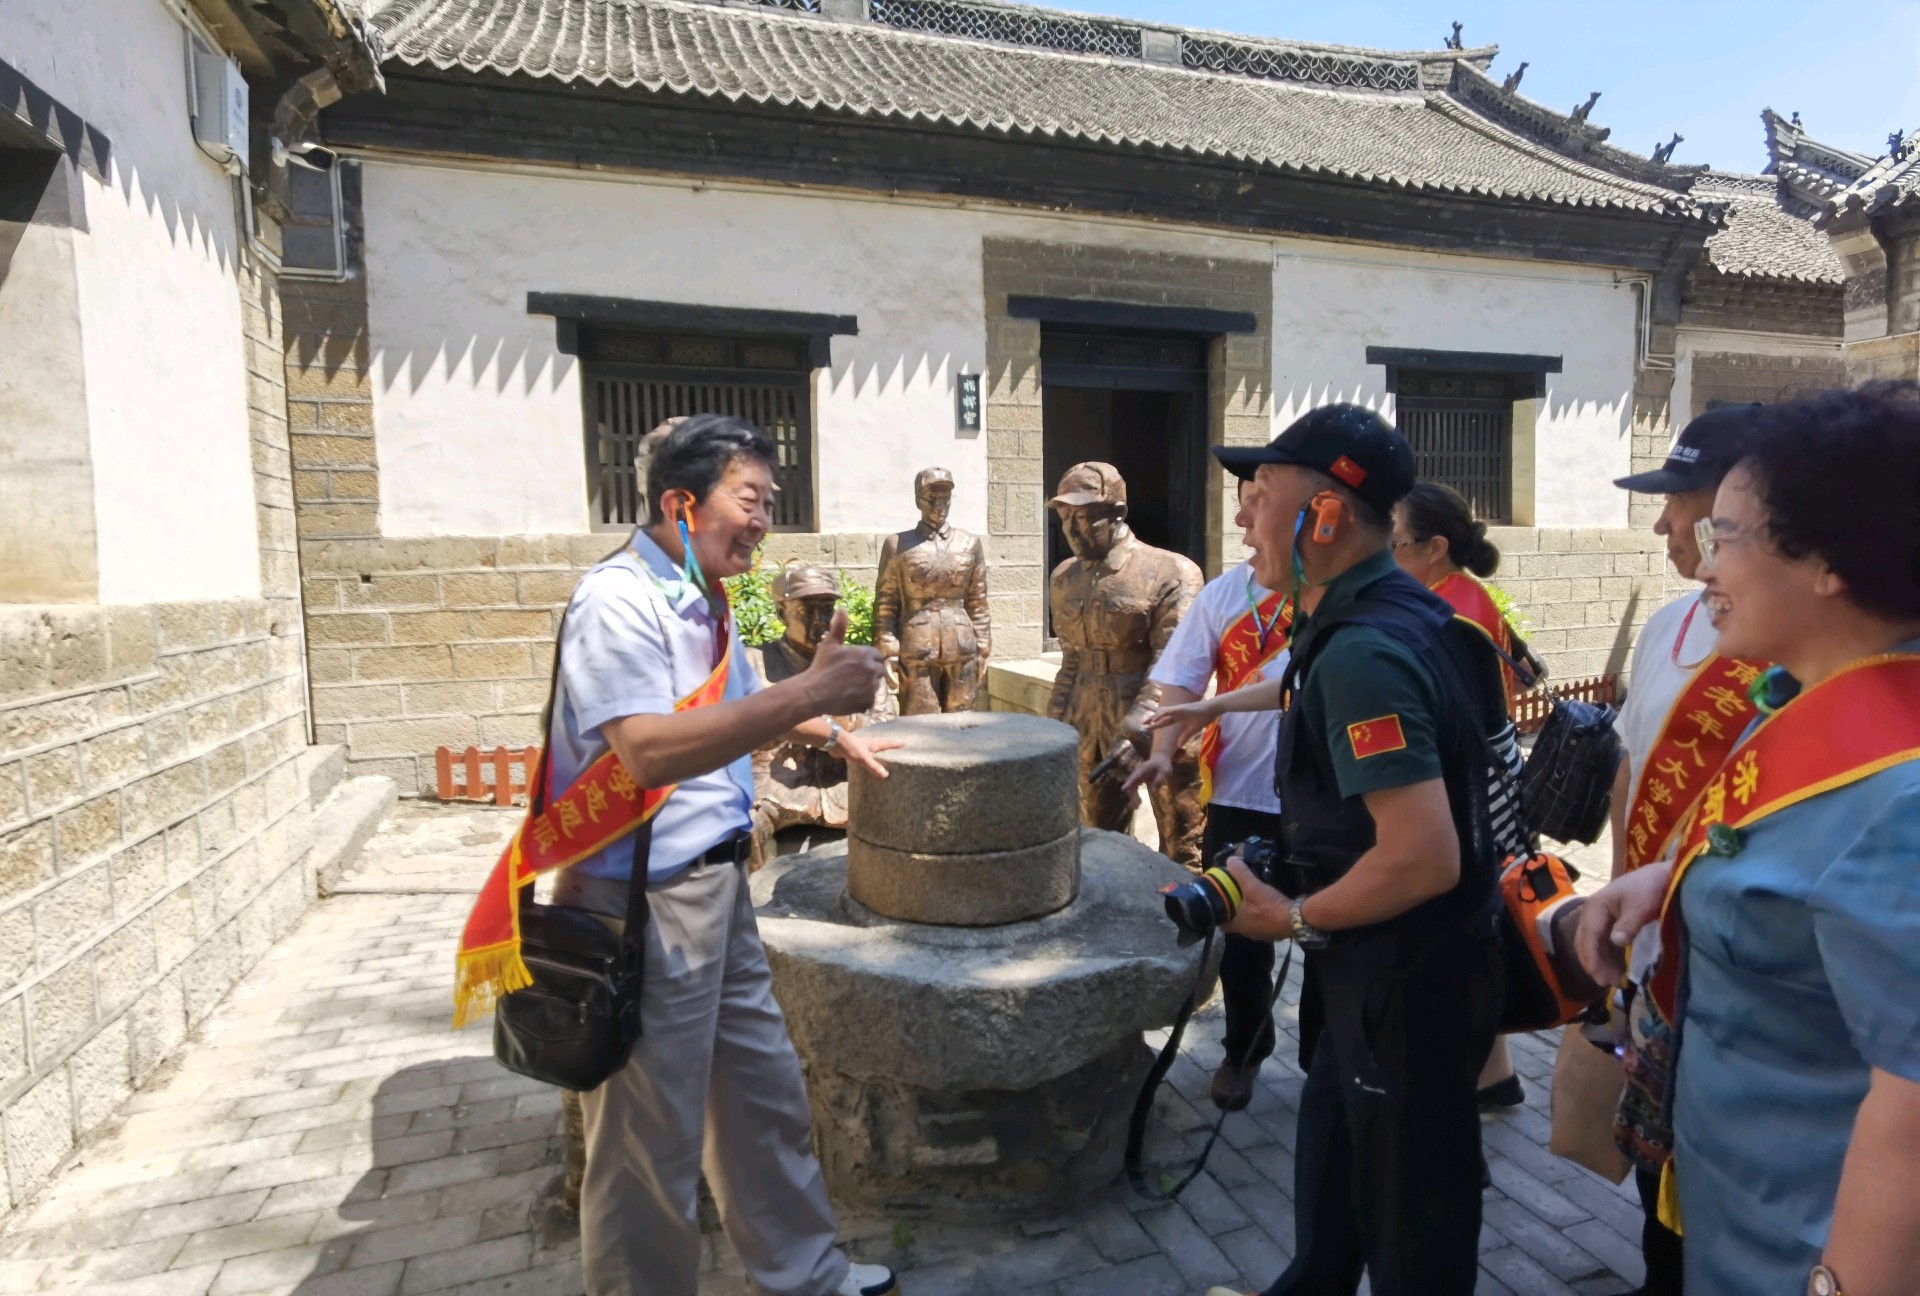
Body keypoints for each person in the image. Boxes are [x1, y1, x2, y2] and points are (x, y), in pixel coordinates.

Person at [540, 415, 904, 1296]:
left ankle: (803, 1275)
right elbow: (646, 750)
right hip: (645, 898)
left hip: (719, 887)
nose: (763, 522)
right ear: (680, 503)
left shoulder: (699, 596)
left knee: (759, 1095)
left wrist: (835, 730)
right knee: (647, 1140)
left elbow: (748, 699)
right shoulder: (617, 601)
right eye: (750, 500)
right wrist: (814, 691)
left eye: (770, 503)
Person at [1575, 382, 1920, 1296]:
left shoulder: (1904, 797)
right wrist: (1670, 881)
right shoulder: (1807, 701)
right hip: (1736, 1210)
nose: (1702, 567)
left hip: (1807, 1248)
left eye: (1724, 537)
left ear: (1826, 561)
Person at [1168, 405, 1510, 1296]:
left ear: (1324, 516)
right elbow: (1303, 690)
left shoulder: (1366, 651)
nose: (1242, 515)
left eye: (1260, 493)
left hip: (1406, 984)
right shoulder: (1384, 612)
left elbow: (1424, 856)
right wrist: (1208, 708)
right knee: (1331, 1187)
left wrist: (1290, 916)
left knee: (1412, 1235)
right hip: (1381, 980)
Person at [1592, 402, 1765, 1296]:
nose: (1663, 523)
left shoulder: (1798, 649)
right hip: (1657, 947)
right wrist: (1622, 900)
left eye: (1680, 501)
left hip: (1742, 959)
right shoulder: (1669, 625)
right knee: (1655, 1158)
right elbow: (1631, 772)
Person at [1124, 476, 1291, 1111]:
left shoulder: (1333, 594)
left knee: (1336, 928)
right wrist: (1162, 752)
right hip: (1241, 788)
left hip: (1328, 797)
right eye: (1244, 502)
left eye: (1258, 503)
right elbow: (1183, 680)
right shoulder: (1224, 594)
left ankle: (1329, 1058)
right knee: (1241, 932)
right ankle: (1244, 1051)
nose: (1244, 518)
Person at [1388, 480, 1531, 1115]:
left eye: (1396, 543)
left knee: (1465, 927)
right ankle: (1493, 1075)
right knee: (1477, 924)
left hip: (1471, 788)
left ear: (1436, 548)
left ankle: (1468, 1072)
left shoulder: (1452, 613)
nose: (1388, 555)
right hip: (1478, 779)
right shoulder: (1454, 596)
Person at [1046, 461, 1206, 867]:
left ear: (1117, 513)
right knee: (1096, 846)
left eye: (1083, 517)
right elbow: (1070, 662)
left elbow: (1173, 664)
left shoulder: (1171, 571)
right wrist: (1054, 728)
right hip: (1088, 722)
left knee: (1182, 847)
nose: (1071, 530)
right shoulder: (1064, 577)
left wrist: (1138, 734)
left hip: (1161, 722)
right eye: (1065, 517)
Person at [748, 561, 898, 870]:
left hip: (845, 782)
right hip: (776, 786)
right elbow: (745, 731)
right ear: (782, 613)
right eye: (807, 610)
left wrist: (841, 721)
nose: (820, 621)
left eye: (827, 610)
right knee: (745, 825)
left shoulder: (861, 666)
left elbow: (888, 728)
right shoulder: (754, 662)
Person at [874, 466, 991, 714]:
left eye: (945, 498)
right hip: (917, 646)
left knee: (962, 719)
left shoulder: (969, 543)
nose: (940, 505)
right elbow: (886, 603)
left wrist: (983, 647)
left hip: (962, 645)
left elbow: (977, 601)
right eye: (932, 498)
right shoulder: (898, 545)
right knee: (920, 720)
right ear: (918, 500)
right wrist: (888, 648)